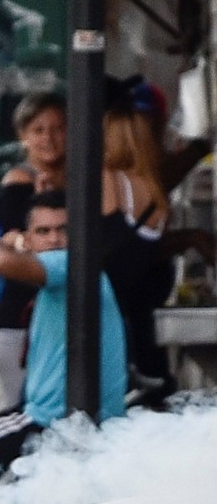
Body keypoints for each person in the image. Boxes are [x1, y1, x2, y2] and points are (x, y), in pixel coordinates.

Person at [0, 190, 127, 476]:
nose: (54, 239)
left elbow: (2, 263)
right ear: (29, 238)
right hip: (73, 427)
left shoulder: (72, 264)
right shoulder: (73, 275)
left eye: (64, 229)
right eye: (43, 231)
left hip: (50, 424)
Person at [0, 92, 66, 406]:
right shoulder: (19, 182)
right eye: (39, 130)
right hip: (19, 324)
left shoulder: (81, 179)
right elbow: (14, 234)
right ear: (23, 136)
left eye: (58, 128)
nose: (49, 138)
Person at [99, 88, 177, 405]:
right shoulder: (156, 191)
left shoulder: (110, 178)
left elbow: (97, 234)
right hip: (141, 320)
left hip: (111, 314)